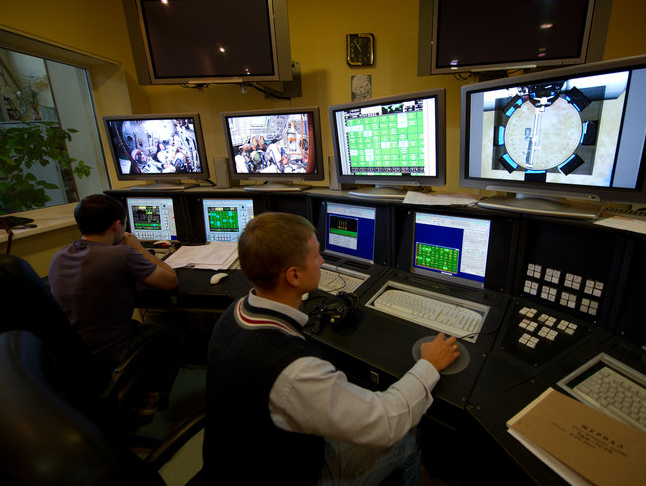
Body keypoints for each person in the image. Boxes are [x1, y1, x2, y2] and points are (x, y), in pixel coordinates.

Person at [203, 212, 460, 485]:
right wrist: (429, 365)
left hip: (237, 458)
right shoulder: (295, 372)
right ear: (293, 275)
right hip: (283, 471)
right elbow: (387, 421)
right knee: (406, 441)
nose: (323, 261)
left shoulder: (236, 311)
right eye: (316, 256)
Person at [49, 194, 183, 413]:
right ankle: (150, 398)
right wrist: (137, 247)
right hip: (108, 353)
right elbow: (170, 281)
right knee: (175, 322)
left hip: (73, 357)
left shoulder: (59, 256)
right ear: (116, 226)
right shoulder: (122, 254)